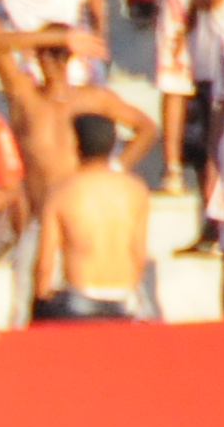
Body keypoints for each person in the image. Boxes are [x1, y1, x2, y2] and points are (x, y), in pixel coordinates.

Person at [33, 110, 155, 313]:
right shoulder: (136, 190)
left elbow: (45, 263)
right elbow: (139, 253)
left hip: (80, 297)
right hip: (124, 297)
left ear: (76, 145)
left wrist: (40, 300)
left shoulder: (62, 193)